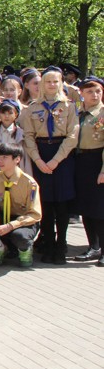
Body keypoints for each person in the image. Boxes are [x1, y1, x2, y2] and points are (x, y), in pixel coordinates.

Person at [22, 66, 79, 264]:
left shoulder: (70, 107)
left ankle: (61, 245)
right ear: (42, 85)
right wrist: (37, 159)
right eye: (48, 81)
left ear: (61, 84)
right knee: (45, 203)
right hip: (41, 154)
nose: (52, 85)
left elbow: (72, 136)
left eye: (56, 81)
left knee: (62, 205)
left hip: (62, 156)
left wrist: (56, 160)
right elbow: (28, 136)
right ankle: (47, 244)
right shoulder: (32, 108)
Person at [0, 142, 42, 268]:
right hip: (3, 216)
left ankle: (25, 251)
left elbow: (35, 214)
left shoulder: (29, 183)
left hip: (23, 221)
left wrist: (11, 225)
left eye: (5, 157)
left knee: (19, 236)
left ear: (17, 159)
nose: (0, 161)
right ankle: (0, 248)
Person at [72, 76, 104, 265]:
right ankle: (93, 246)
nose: (95, 94)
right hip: (81, 161)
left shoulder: (102, 114)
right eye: (90, 91)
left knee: (100, 209)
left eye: (98, 91)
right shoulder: (78, 112)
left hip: (97, 161)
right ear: (82, 94)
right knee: (85, 208)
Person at [0, 99, 31, 193]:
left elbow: (26, 161)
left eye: (10, 113)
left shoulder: (21, 135)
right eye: (3, 113)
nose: (6, 116)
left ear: (16, 114)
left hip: (17, 171)